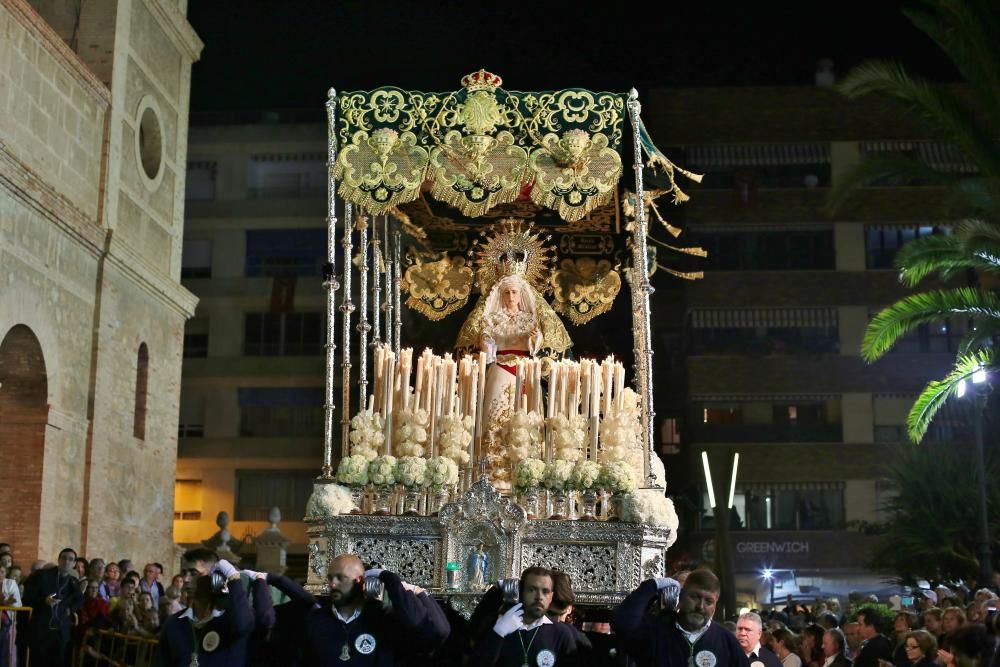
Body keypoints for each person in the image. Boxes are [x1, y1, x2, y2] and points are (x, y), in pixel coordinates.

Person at [303, 553, 447, 665]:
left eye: (341, 578)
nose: (333, 584)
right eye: (330, 578)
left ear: (359, 581)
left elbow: (437, 630)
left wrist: (391, 579)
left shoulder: (382, 619)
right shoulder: (315, 619)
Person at [612, 568, 746, 667]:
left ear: (715, 606)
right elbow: (622, 622)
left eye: (708, 601)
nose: (700, 606)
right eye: (694, 597)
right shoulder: (656, 630)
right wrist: (652, 586)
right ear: (680, 597)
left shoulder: (727, 641)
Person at [472, 565, 579, 666]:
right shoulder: (500, 624)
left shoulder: (562, 633)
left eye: (562, 615)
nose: (557, 620)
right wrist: (498, 633)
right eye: (552, 614)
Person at [159, 560, 254, 666]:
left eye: (194, 574)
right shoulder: (174, 622)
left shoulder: (233, 621)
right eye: (184, 573)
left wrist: (234, 579)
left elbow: (243, 625)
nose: (186, 579)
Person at [22, 547, 84, 667]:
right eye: (64, 558)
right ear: (59, 559)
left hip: (61, 631)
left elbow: (80, 599)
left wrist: (70, 609)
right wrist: (44, 601)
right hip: (42, 629)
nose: (66, 562)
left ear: (74, 563)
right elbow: (27, 598)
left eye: (70, 559)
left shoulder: (73, 581)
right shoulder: (43, 576)